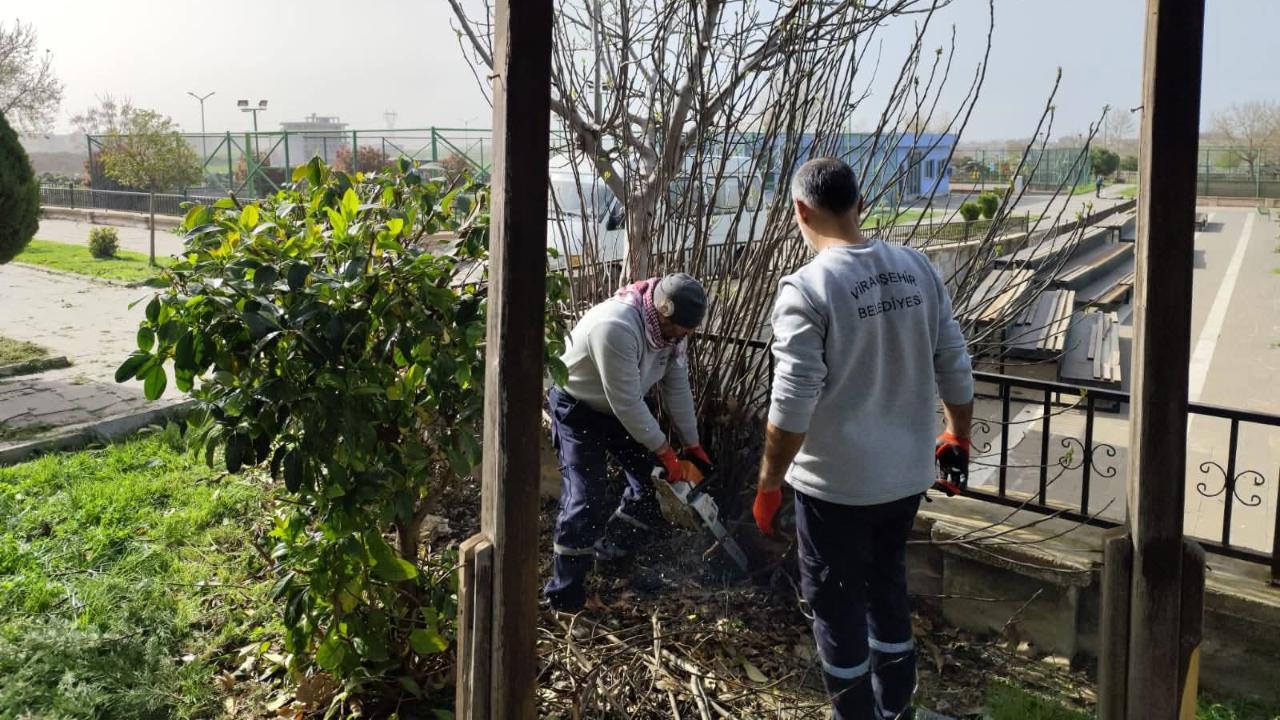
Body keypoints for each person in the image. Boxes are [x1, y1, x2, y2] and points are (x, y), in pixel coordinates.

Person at [752, 158, 974, 720]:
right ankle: (894, 708)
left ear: (800, 211)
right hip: (906, 478)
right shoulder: (917, 267)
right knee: (887, 587)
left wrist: (769, 485)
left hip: (836, 488)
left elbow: (791, 405)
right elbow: (954, 362)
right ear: (861, 204)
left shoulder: (808, 288)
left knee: (836, 607)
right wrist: (958, 434)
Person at [544, 273, 712, 612]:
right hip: (578, 407)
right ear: (663, 313)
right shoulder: (616, 327)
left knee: (652, 482)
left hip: (620, 407)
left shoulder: (673, 334)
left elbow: (677, 387)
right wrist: (665, 451)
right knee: (586, 498)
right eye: (682, 329)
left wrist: (692, 444)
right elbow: (627, 403)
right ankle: (565, 597)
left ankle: (610, 553)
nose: (686, 336)